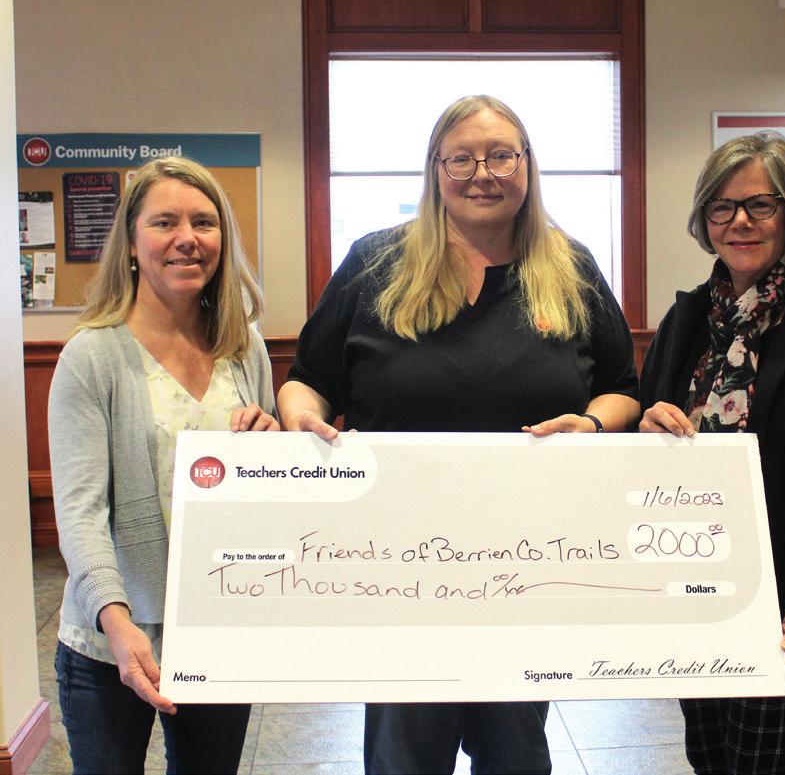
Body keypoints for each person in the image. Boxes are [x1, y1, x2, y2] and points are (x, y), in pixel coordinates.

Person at [279, 94, 640, 775]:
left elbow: (623, 386)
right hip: (394, 570)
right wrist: (300, 416)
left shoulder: (571, 266)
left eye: (502, 155)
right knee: (405, 756)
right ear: (434, 169)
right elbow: (308, 379)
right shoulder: (374, 262)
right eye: (462, 159)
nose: (483, 173)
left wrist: (593, 422)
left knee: (515, 754)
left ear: (527, 165)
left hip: (533, 564)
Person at [639, 132, 785, 775]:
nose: (739, 221)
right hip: (689, 577)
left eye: (759, 205)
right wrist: (647, 426)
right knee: (708, 752)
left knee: (759, 759)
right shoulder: (687, 320)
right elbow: (645, 439)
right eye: (721, 206)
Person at [49, 156, 278, 774]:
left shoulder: (244, 347)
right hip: (110, 641)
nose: (187, 238)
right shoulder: (91, 357)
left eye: (204, 222)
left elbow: (262, 498)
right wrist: (116, 622)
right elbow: (80, 514)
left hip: (216, 628)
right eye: (164, 222)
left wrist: (271, 449)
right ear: (130, 243)